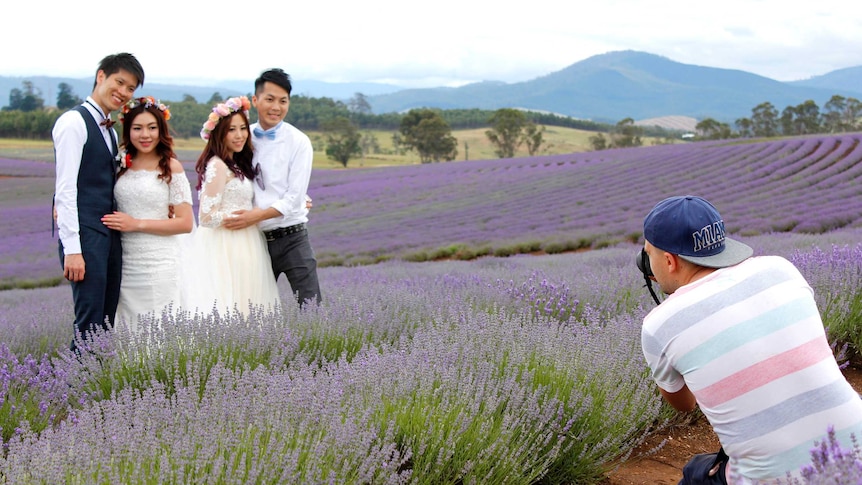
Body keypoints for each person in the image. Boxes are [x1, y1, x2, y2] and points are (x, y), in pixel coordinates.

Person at [638, 195, 862, 484]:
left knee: (696, 474)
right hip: (856, 450)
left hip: (775, 478)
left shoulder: (659, 325)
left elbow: (685, 404)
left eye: (648, 254)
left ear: (669, 261)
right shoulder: (781, 269)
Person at [53, 53, 145, 351]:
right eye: (119, 82)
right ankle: (69, 394)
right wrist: (73, 251)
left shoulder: (109, 128)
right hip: (86, 236)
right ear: (101, 76)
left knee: (105, 323)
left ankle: (94, 390)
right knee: (89, 323)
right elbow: (66, 190)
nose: (123, 93)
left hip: (108, 236)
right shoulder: (73, 122)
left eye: (131, 88)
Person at [221, 68, 321, 306]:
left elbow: (294, 198)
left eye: (283, 101)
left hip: (292, 235)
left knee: (311, 307)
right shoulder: (242, 137)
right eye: (270, 99)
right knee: (253, 307)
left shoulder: (299, 142)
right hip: (254, 240)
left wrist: (257, 215)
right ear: (255, 101)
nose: (276, 107)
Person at [100, 97, 193, 334]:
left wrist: (136, 224)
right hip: (125, 262)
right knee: (127, 328)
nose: (145, 135)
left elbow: (185, 223)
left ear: (160, 130)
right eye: (138, 128)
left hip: (160, 261)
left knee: (160, 327)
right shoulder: (121, 165)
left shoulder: (171, 167)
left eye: (152, 128)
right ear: (128, 130)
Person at [185, 96, 280, 316]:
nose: (239, 135)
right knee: (229, 303)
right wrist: (241, 218)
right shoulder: (217, 165)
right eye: (231, 130)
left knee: (249, 303)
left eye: (243, 128)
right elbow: (206, 217)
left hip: (247, 241)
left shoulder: (237, 163)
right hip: (226, 243)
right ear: (220, 134)